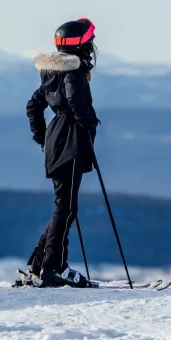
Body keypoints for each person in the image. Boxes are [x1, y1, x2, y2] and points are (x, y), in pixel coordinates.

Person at [24, 18, 100, 287]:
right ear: (83, 46)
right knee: (66, 208)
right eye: (90, 43)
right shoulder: (73, 72)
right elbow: (74, 101)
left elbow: (33, 106)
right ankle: (55, 267)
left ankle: (38, 266)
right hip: (70, 145)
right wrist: (88, 120)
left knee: (64, 207)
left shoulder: (51, 73)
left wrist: (44, 138)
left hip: (58, 144)